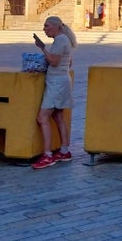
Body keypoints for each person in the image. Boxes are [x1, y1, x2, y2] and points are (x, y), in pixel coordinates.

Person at [32, 16, 78, 170]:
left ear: (56, 27)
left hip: (56, 83)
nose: (44, 29)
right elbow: (68, 61)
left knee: (42, 118)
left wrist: (42, 47)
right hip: (61, 81)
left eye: (47, 26)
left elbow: (54, 61)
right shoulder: (65, 40)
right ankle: (64, 151)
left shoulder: (60, 40)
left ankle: (47, 155)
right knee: (58, 117)